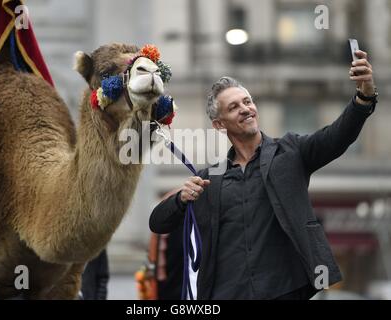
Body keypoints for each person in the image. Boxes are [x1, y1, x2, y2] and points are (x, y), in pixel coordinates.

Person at [149, 50, 377, 300]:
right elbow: (158, 222)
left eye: (247, 101)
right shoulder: (208, 179)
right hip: (226, 294)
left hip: (285, 290)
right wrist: (181, 198)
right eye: (234, 107)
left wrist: (363, 97)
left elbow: (337, 136)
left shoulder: (291, 152)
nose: (246, 109)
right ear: (219, 124)